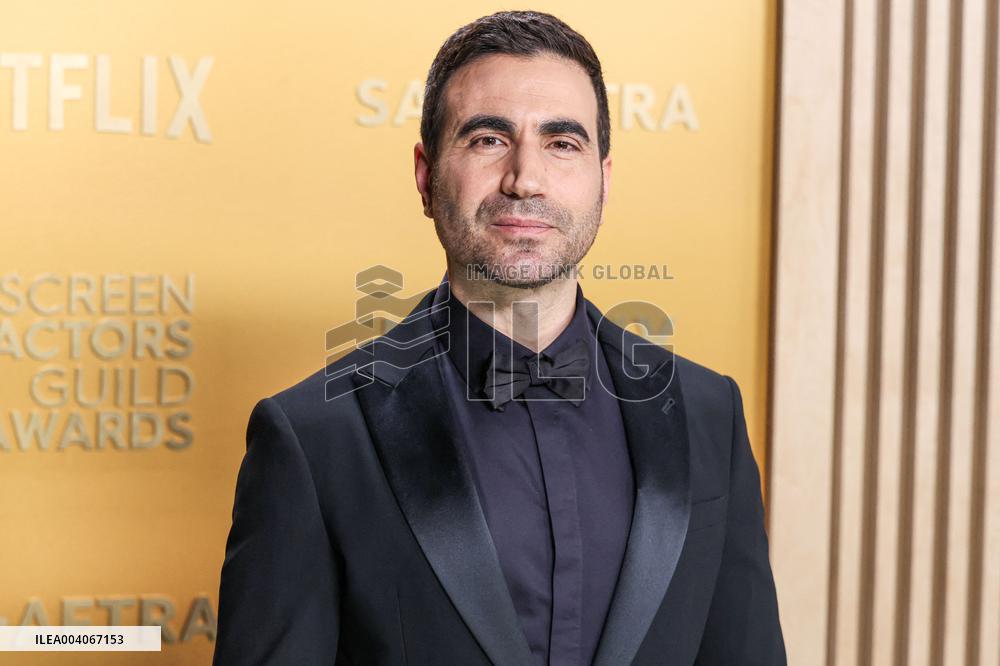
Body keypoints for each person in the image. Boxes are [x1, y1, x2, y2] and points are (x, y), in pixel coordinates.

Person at [214, 10, 785, 665]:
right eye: (488, 139)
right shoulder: (313, 437)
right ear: (427, 176)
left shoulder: (708, 413)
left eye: (562, 143)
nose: (526, 179)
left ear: (605, 179)